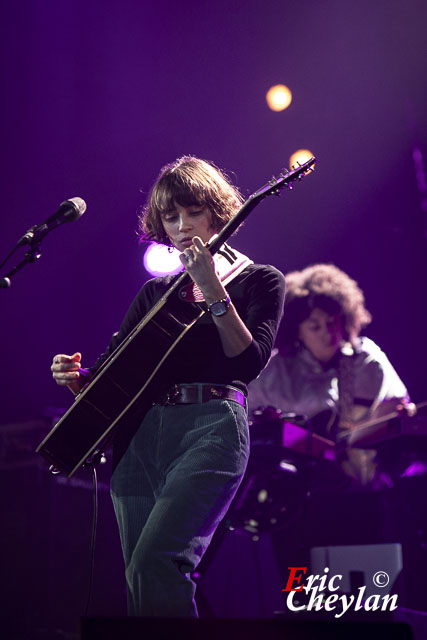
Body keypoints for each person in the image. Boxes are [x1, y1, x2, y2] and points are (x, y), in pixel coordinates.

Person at [51, 156, 286, 617]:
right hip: (140, 436)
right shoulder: (154, 295)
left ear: (218, 211)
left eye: (191, 212)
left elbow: (249, 360)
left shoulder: (260, 280)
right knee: (139, 575)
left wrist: (211, 287)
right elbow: (109, 376)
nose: (180, 227)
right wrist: (77, 379)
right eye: (170, 216)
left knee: (158, 562)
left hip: (212, 428)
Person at [248, 263, 411, 485]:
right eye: (315, 327)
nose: (328, 333)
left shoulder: (365, 360)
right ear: (297, 331)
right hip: (291, 486)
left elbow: (398, 411)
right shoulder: (275, 371)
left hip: (360, 485)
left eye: (332, 322)